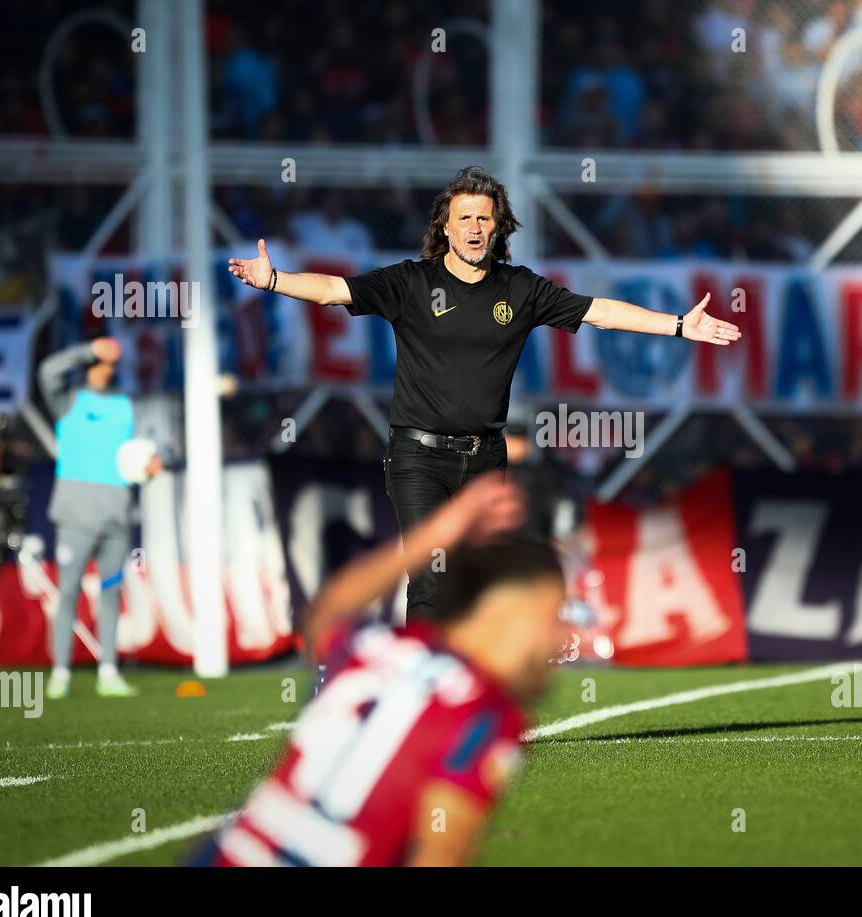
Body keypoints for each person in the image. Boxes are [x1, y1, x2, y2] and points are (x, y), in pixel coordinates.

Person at [227, 165, 741, 618]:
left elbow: (601, 312)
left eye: (484, 218)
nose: (474, 228)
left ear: (498, 227)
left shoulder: (520, 289)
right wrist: (275, 281)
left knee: (481, 583)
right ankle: (423, 705)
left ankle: (468, 694)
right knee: (429, 579)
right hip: (417, 458)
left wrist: (678, 326)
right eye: (464, 218)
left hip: (486, 460)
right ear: (444, 227)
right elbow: (336, 290)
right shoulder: (409, 283)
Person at [192, 471, 570, 866]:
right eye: (555, 616)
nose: (562, 637)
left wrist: (438, 532)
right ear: (506, 611)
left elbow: (324, 612)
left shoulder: (379, 645)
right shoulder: (489, 715)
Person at [38, 337, 161, 699]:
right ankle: (60, 671)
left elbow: (153, 445)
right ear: (90, 364)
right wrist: (87, 349)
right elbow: (46, 371)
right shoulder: (67, 401)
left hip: (116, 517)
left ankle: (108, 670)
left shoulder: (126, 405)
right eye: (99, 363)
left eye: (110, 364)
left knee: (111, 595)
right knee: (68, 594)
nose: (106, 369)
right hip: (75, 516)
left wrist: (155, 462)